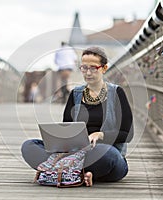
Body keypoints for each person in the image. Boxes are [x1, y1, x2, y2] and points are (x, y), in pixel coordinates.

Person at [21, 46, 133, 187]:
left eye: (93, 68)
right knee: (29, 146)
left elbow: (127, 134)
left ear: (104, 68)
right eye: (84, 68)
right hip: (76, 153)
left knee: (107, 154)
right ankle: (80, 172)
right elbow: (67, 127)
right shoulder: (75, 94)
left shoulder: (116, 93)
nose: (88, 73)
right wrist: (58, 139)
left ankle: (61, 171)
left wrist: (100, 135)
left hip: (105, 154)